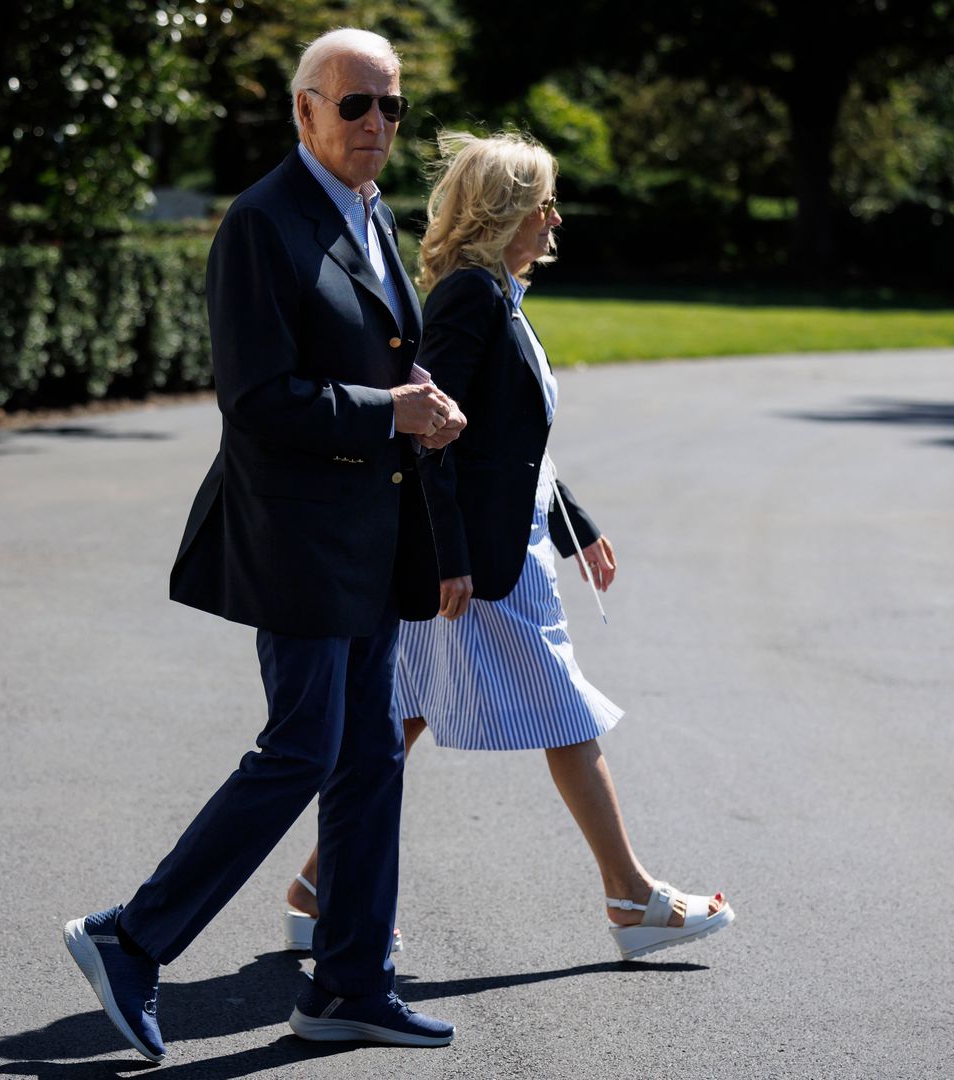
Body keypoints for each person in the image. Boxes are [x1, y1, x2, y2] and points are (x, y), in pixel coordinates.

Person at [59, 29, 467, 1064]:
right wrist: (392, 412)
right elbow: (254, 400)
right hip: (295, 540)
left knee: (370, 756)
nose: (376, 124)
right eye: (354, 105)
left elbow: (381, 361)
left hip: (370, 543)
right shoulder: (260, 222)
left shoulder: (371, 214)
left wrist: (419, 414)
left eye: (392, 107)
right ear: (304, 111)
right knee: (303, 750)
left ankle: (350, 985)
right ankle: (131, 937)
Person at [280, 131, 735, 963]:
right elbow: (433, 432)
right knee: (564, 710)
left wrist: (577, 525)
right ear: (503, 213)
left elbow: (510, 445)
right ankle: (631, 899)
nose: (556, 218)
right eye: (542, 203)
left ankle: (317, 892)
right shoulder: (471, 299)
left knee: (403, 707)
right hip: (479, 560)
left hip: (495, 541)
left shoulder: (497, 294)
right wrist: (449, 553)